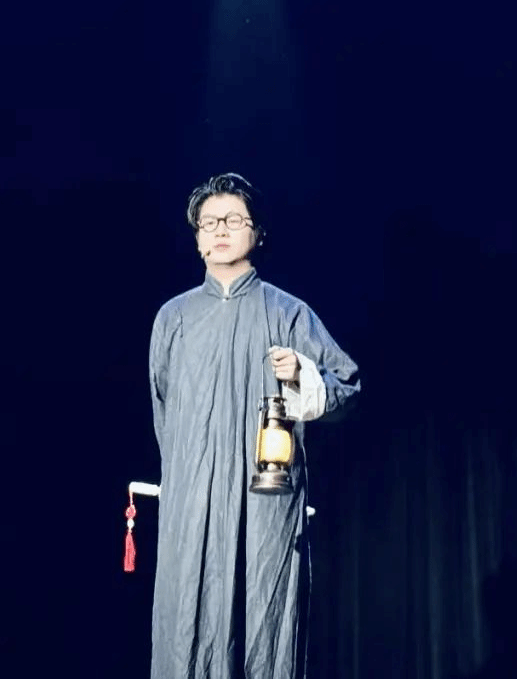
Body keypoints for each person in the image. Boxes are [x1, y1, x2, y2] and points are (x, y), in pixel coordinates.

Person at [148, 172, 361, 679]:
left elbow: (347, 387)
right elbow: (164, 412)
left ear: (258, 232)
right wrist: (187, 479)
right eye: (209, 222)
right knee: (187, 624)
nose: (221, 229)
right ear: (197, 238)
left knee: (267, 624)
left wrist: (302, 375)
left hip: (265, 500)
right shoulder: (174, 319)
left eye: (234, 219)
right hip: (192, 504)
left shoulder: (288, 313)